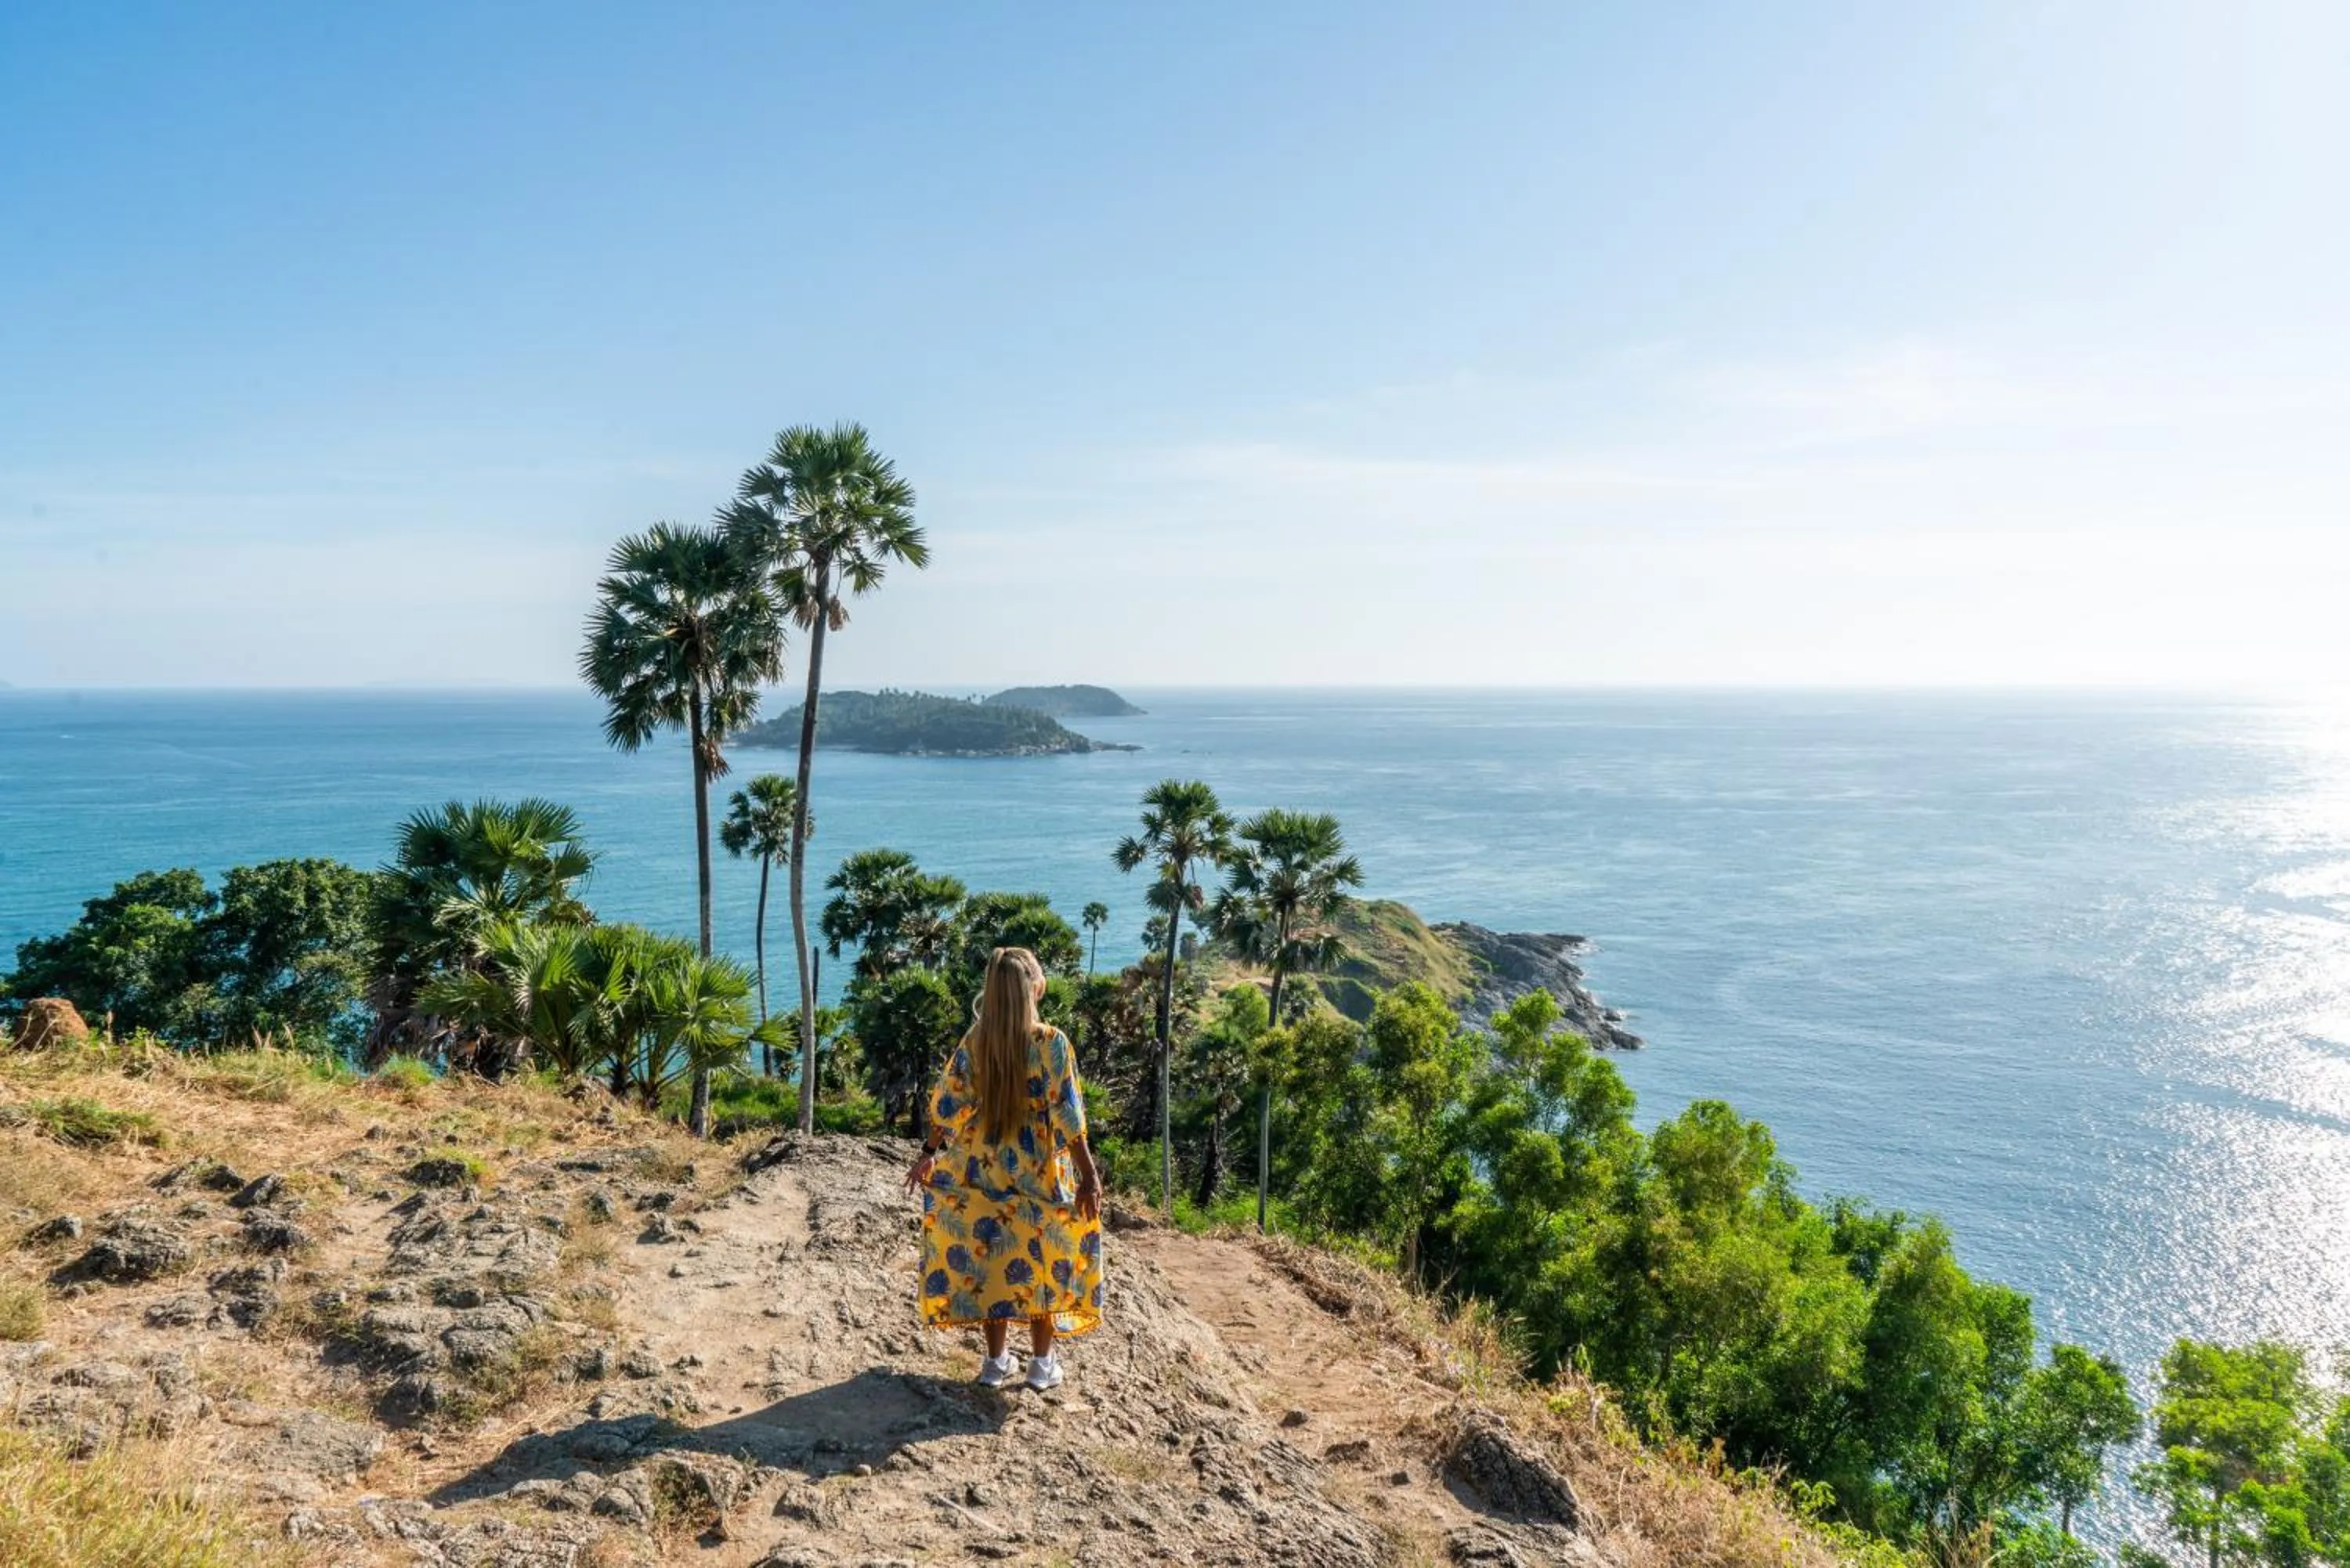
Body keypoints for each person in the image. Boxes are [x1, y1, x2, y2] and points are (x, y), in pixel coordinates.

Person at [902, 945, 1105, 1389]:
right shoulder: (1051, 1041)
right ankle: (1040, 1364)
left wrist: (929, 1153)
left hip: (982, 1168)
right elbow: (1068, 1116)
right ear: (1032, 987)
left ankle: (996, 1363)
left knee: (992, 1260)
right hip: (1040, 1169)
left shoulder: (977, 1040)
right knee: (1043, 1261)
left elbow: (948, 1105)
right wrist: (1089, 1175)